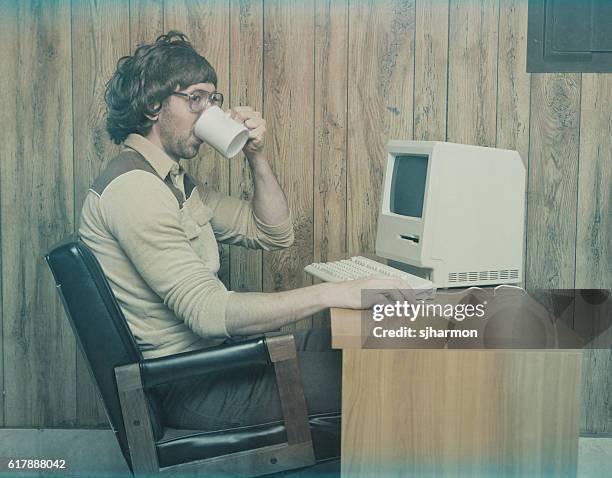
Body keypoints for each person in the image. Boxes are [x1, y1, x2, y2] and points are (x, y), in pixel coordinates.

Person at [78, 31, 414, 435]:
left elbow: (272, 233)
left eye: (212, 101)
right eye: (195, 99)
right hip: (195, 384)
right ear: (154, 105)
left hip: (221, 361)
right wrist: (335, 292)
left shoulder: (170, 181)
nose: (208, 114)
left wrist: (256, 156)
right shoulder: (135, 188)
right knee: (390, 374)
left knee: (377, 342)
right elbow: (207, 313)